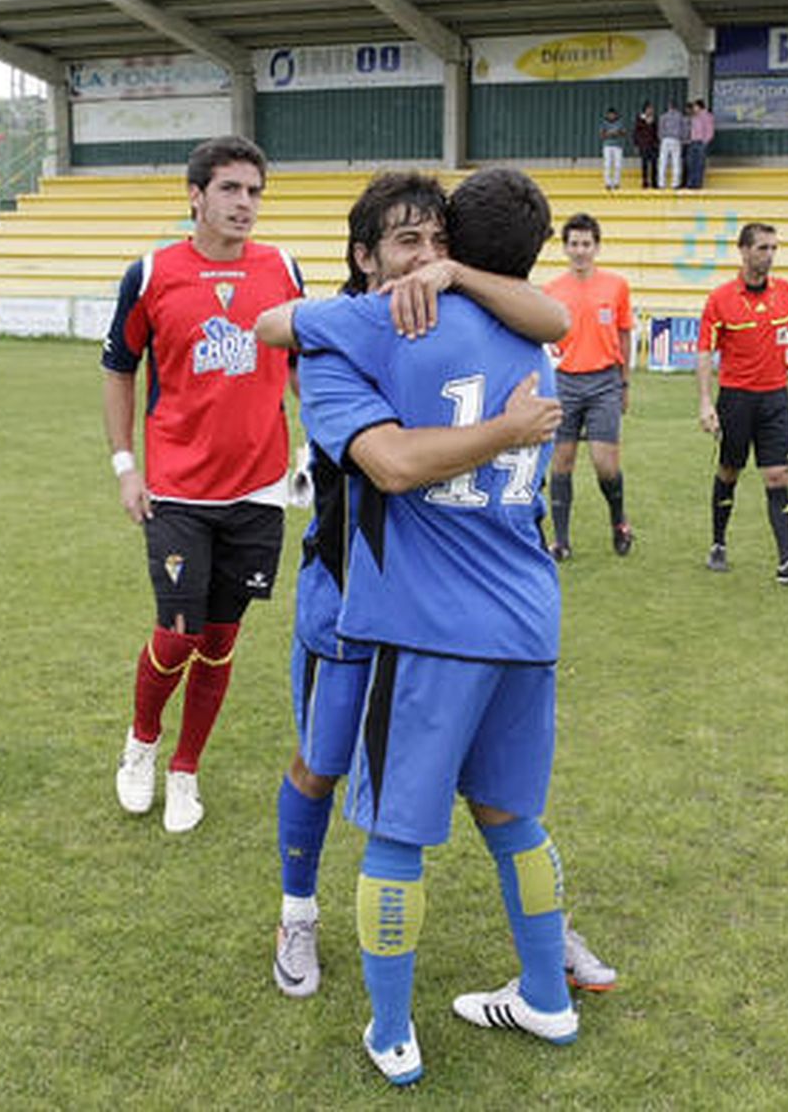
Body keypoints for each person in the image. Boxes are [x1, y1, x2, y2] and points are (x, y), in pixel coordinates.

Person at [259, 174, 617, 1015]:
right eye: (407, 244)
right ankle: (297, 913)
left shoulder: (473, 311)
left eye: (438, 243)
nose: (426, 259)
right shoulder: (343, 338)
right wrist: (507, 426)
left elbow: (556, 316)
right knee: (321, 766)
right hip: (349, 602)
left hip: (436, 612)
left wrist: (456, 279)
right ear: (364, 257)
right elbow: (382, 456)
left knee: (488, 791)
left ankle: (540, 936)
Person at [101, 134, 301, 834]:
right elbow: (120, 369)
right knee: (179, 632)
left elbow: (306, 362)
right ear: (196, 195)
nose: (245, 204)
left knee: (220, 639)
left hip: (260, 491)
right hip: (180, 490)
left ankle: (186, 770)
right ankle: (143, 742)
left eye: (254, 192)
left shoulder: (283, 268)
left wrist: (314, 449)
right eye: (230, 190)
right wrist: (126, 466)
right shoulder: (152, 273)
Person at [697, 222, 788, 583]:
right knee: (730, 470)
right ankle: (718, 544)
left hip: (775, 398)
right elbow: (704, 353)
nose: (769, 255)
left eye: (774, 248)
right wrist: (705, 402)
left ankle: (787, 561)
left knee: (778, 474)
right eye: (762, 248)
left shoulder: (786, 293)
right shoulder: (720, 299)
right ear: (743, 251)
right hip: (736, 400)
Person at [543, 212, 635, 561]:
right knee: (562, 462)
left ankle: (619, 522)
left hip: (604, 383)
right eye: (574, 244)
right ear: (565, 248)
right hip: (564, 383)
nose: (580, 250)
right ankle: (562, 542)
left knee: (604, 463)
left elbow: (624, 334)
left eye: (586, 243)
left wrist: (625, 383)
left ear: (597, 247)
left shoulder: (616, 286)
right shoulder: (551, 291)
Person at [684, 98, 715, 190]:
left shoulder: (707, 116)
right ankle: (691, 183)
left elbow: (710, 130)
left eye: (695, 106)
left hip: (701, 142)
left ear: (699, 106)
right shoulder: (694, 117)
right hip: (692, 142)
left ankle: (697, 184)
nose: (694, 108)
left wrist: (705, 141)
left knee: (699, 164)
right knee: (690, 163)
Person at [658, 98, 687, 190]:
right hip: (676, 139)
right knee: (676, 161)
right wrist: (682, 139)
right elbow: (684, 129)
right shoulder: (680, 116)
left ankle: (661, 183)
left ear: (669, 106)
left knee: (663, 161)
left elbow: (660, 129)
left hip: (665, 139)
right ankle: (675, 183)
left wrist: (662, 137)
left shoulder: (663, 116)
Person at [632, 100, 659, 190]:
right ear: (645, 110)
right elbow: (636, 132)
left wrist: (657, 142)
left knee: (654, 164)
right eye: (649, 109)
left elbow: (656, 132)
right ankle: (645, 181)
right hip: (643, 145)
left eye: (651, 109)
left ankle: (654, 182)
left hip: (653, 145)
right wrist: (636, 144)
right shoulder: (640, 119)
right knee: (644, 164)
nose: (650, 110)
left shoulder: (654, 119)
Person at [598, 107, 626, 191]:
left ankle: (616, 183)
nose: (611, 116)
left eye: (613, 114)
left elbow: (624, 132)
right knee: (607, 164)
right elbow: (601, 135)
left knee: (618, 165)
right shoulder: (604, 123)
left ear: (616, 115)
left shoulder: (620, 123)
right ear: (607, 115)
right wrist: (609, 133)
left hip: (618, 146)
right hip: (607, 145)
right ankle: (608, 183)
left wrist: (618, 132)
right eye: (610, 114)